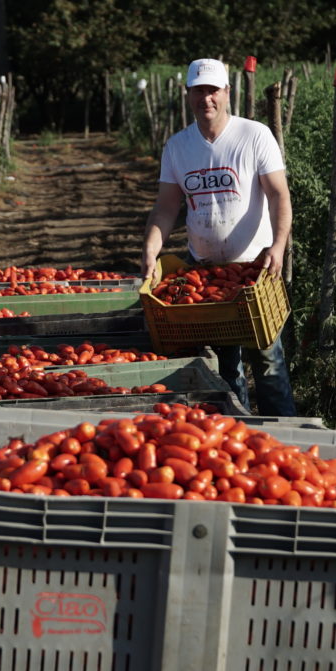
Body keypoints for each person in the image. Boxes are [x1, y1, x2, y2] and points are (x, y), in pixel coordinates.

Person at [141, 58, 296, 416]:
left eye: (213, 90)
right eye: (198, 90)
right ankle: (237, 435)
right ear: (188, 94)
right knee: (225, 363)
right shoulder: (178, 147)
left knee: (268, 359)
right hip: (206, 271)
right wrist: (151, 249)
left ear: (227, 92)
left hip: (255, 269)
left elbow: (278, 195)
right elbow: (166, 207)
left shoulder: (254, 135)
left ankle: (284, 433)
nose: (205, 98)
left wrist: (278, 245)